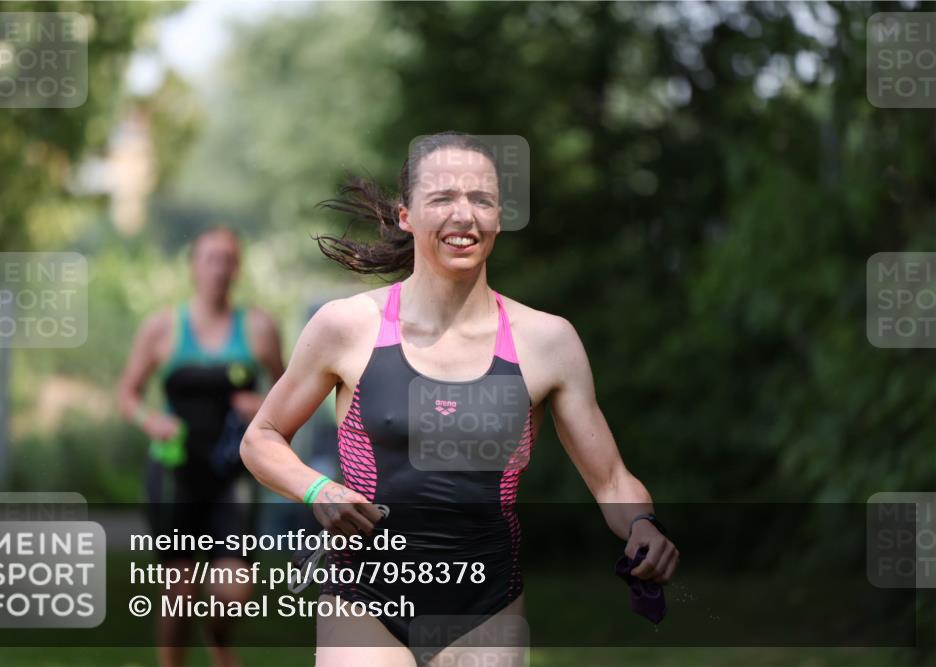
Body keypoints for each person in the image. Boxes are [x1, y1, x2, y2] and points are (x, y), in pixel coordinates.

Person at [240, 132, 679, 666]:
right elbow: (261, 439)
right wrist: (318, 491)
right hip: (364, 596)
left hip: (487, 603)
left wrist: (641, 525)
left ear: (500, 216)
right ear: (406, 215)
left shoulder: (547, 341)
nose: (464, 216)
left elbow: (611, 479)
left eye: (482, 200)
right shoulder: (347, 326)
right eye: (443, 198)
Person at [117, 226, 286, 667]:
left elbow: (291, 392)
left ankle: (218, 639)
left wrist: (264, 405)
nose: (219, 268)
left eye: (228, 259)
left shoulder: (259, 328)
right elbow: (127, 395)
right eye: (210, 258)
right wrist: (150, 420)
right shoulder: (162, 328)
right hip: (176, 474)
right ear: (193, 265)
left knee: (234, 592)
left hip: (233, 473)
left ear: (238, 268)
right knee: (180, 589)